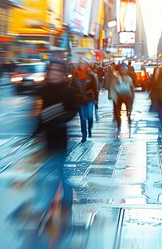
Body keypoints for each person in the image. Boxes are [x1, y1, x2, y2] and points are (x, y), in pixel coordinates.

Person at [32, 60, 82, 215]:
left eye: (57, 71)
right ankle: (64, 198)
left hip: (59, 136)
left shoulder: (68, 91)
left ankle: (48, 203)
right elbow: (39, 113)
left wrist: (61, 119)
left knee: (53, 170)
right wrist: (34, 132)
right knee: (55, 171)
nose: (53, 73)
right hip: (45, 138)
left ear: (62, 73)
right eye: (51, 70)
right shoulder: (43, 90)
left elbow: (73, 109)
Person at [71, 61, 98, 142]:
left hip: (89, 99)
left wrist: (96, 99)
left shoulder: (91, 76)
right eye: (81, 64)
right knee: (83, 118)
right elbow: (71, 89)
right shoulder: (75, 77)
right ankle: (84, 135)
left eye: (84, 64)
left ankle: (89, 128)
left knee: (89, 116)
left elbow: (95, 88)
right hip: (80, 100)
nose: (83, 66)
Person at [108, 63, 135, 131]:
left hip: (122, 96)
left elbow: (111, 86)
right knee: (118, 111)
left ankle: (122, 121)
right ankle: (120, 122)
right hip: (120, 96)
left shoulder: (124, 77)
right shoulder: (118, 77)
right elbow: (111, 86)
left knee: (120, 110)